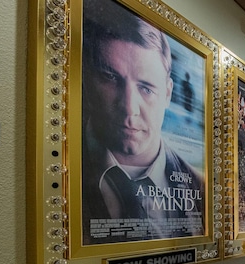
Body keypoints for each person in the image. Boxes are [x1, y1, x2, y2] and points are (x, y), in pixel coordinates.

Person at [81, 0, 205, 244]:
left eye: (146, 88)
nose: (129, 108)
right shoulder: (64, 171)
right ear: (87, 80)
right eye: (110, 78)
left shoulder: (200, 186)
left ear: (168, 93)